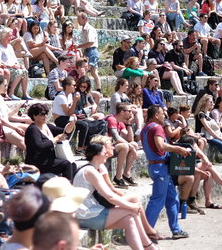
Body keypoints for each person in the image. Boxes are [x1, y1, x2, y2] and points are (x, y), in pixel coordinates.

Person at [73, 141, 160, 249]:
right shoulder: (91, 171)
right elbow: (110, 196)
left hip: (85, 214)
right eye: (104, 153)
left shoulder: (90, 168)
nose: (106, 154)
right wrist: (131, 206)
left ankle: (144, 247)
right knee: (131, 212)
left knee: (129, 221)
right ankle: (149, 245)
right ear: (96, 156)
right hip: (87, 215)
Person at [140, 105, 190, 239]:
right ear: (156, 115)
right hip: (160, 168)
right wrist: (178, 149)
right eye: (162, 113)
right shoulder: (157, 127)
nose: (164, 116)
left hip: (156, 166)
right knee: (157, 200)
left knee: (172, 198)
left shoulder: (145, 129)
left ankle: (176, 229)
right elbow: (160, 145)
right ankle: (147, 232)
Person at [25, 103, 76, 180]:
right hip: (38, 162)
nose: (45, 116)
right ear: (34, 116)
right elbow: (39, 147)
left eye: (46, 114)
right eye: (42, 114)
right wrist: (55, 139)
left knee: (73, 165)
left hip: (49, 159)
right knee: (66, 164)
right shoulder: (33, 129)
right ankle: (67, 187)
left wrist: (72, 123)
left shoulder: (48, 127)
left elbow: (65, 132)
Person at [105, 104, 140, 188]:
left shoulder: (120, 122)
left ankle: (126, 174)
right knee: (125, 146)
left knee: (134, 144)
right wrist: (130, 146)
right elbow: (116, 137)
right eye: (129, 111)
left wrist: (128, 124)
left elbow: (130, 139)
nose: (131, 113)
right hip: (102, 147)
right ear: (122, 112)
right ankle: (118, 177)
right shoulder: (111, 119)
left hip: (110, 146)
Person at [52, 77, 89, 154]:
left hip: (67, 117)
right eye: (73, 85)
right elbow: (68, 113)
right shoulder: (61, 97)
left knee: (85, 124)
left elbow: (71, 112)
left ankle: (81, 146)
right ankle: (80, 148)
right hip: (60, 119)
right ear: (67, 86)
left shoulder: (69, 96)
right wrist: (75, 101)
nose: (75, 87)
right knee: (83, 125)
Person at [77, 11, 101, 94]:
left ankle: (86, 89)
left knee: (85, 71)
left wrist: (78, 46)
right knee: (94, 72)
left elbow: (90, 42)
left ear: (85, 19)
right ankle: (98, 90)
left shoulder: (89, 29)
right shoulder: (84, 29)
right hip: (88, 51)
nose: (78, 20)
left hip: (91, 51)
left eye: (79, 18)